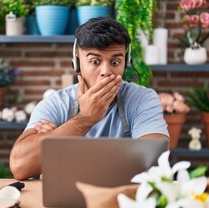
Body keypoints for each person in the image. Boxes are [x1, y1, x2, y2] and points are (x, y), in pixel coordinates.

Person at [10, 17, 169, 180]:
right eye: (95, 61)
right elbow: (20, 166)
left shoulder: (143, 99)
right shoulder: (56, 104)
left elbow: (155, 162)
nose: (106, 71)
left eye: (115, 62)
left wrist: (62, 147)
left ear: (126, 62)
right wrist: (85, 119)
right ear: (77, 62)